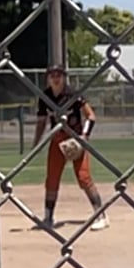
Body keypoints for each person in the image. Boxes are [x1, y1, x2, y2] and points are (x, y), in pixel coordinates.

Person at [34, 64, 109, 231]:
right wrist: (36, 143)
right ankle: (48, 217)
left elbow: (91, 116)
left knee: (83, 177)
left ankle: (101, 215)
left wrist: (84, 137)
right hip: (57, 140)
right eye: (52, 75)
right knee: (52, 179)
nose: (56, 78)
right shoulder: (45, 97)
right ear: (48, 78)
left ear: (64, 77)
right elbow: (41, 122)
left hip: (75, 139)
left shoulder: (73, 94)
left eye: (59, 75)